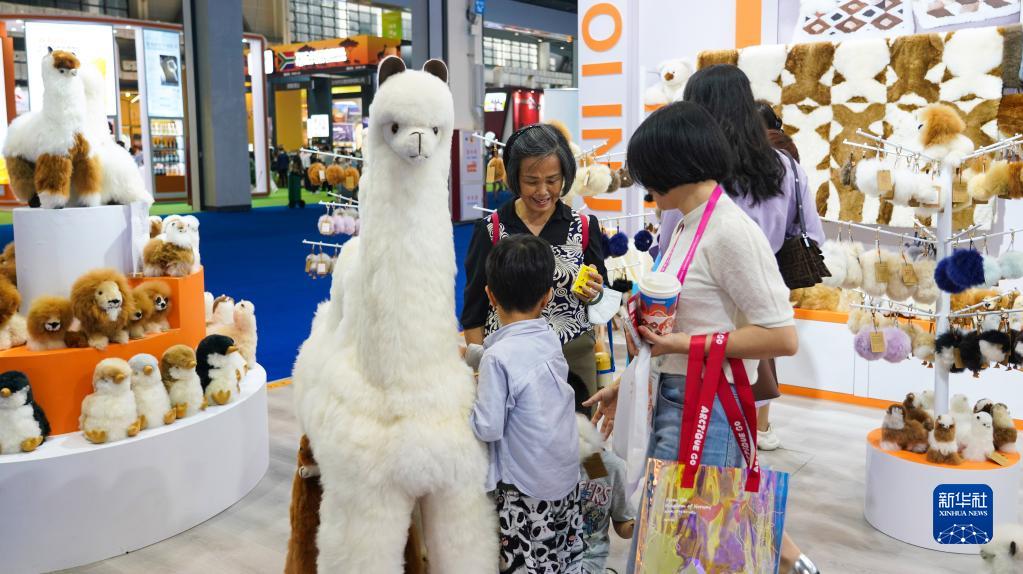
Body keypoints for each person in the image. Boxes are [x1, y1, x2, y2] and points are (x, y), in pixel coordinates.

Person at [584, 101, 819, 574]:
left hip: (709, 411)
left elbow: (780, 336)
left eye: (649, 172)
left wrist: (684, 346)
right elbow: (683, 325)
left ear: (675, 164)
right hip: (676, 400)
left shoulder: (730, 231)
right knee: (668, 546)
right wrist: (628, 384)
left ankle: (797, 564)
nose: (645, 185)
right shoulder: (689, 225)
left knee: (683, 550)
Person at [655, 65, 826, 452]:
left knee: (700, 430)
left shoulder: (693, 174)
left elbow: (670, 248)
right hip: (760, 304)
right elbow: (813, 235)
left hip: (701, 323)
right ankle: (752, 438)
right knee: (741, 400)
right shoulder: (786, 168)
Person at [461, 123, 608, 397]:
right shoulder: (492, 230)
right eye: (531, 181)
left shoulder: (584, 227)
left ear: (565, 176)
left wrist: (597, 294)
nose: (542, 191)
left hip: (573, 362)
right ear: (515, 178)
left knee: (576, 425)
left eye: (552, 180)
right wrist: (481, 372)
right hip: (508, 364)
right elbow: (473, 311)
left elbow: (605, 306)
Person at [468, 234, 584, 574]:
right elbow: (522, 363)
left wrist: (463, 405)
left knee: (527, 564)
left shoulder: (497, 360)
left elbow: (488, 427)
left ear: (490, 295)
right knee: (561, 558)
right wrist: (473, 354)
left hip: (524, 493)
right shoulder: (548, 337)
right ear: (547, 296)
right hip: (563, 480)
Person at [567, 372, 635, 574]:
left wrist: (640, 524)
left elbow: (622, 523)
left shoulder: (599, 465)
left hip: (589, 562)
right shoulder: (537, 465)